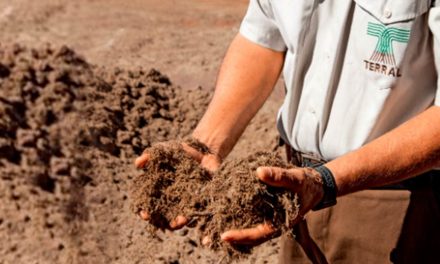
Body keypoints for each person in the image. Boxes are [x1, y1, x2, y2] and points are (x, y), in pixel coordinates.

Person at [136, 0, 440, 262]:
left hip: (398, 202)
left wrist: (325, 183)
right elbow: (264, 38)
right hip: (295, 192)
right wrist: (206, 143)